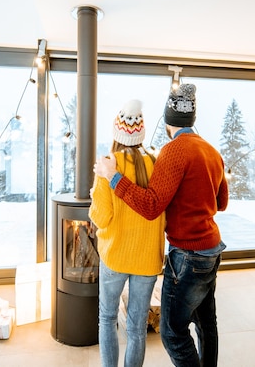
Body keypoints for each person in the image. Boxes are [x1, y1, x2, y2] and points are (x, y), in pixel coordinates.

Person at [94, 83, 229, 367]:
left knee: (169, 332)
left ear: (168, 121)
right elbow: (221, 202)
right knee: (205, 323)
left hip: (180, 253)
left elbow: (150, 206)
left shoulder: (167, 154)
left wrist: (112, 179)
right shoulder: (209, 152)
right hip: (207, 249)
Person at [89, 99, 166, 367]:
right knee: (136, 328)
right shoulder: (156, 164)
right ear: (141, 134)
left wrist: (94, 195)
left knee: (107, 318)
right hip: (147, 260)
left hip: (116, 256)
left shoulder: (108, 166)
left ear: (116, 134)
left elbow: (101, 217)